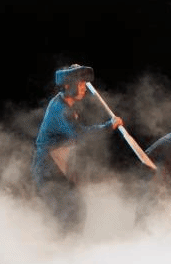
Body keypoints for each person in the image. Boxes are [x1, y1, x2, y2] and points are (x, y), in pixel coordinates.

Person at [33, 64, 122, 231]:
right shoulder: (60, 109)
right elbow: (81, 135)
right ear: (67, 86)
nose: (84, 88)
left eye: (84, 83)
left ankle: (68, 244)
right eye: (80, 83)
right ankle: (62, 245)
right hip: (48, 172)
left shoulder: (64, 104)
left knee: (76, 211)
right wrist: (109, 126)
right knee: (69, 215)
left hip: (57, 169)